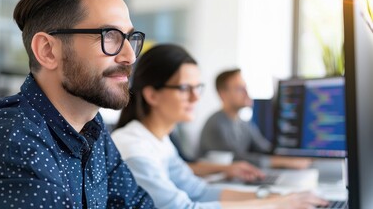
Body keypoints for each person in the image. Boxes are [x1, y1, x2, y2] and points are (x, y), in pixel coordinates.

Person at [0, 0, 154, 208]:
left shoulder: (93, 130)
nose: (129, 56)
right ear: (47, 50)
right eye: (110, 36)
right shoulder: (10, 138)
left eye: (129, 38)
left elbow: (138, 204)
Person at [111, 44, 328, 208]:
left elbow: (199, 191)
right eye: (185, 88)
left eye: (198, 87)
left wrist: (277, 197)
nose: (196, 97)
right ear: (152, 95)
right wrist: (274, 205)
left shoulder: (158, 141)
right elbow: (183, 208)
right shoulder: (133, 145)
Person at [199, 69, 312, 169]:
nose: (247, 93)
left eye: (246, 88)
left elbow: (266, 149)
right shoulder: (215, 124)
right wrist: (283, 162)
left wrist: (297, 154)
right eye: (240, 89)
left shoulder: (244, 124)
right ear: (222, 93)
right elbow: (235, 160)